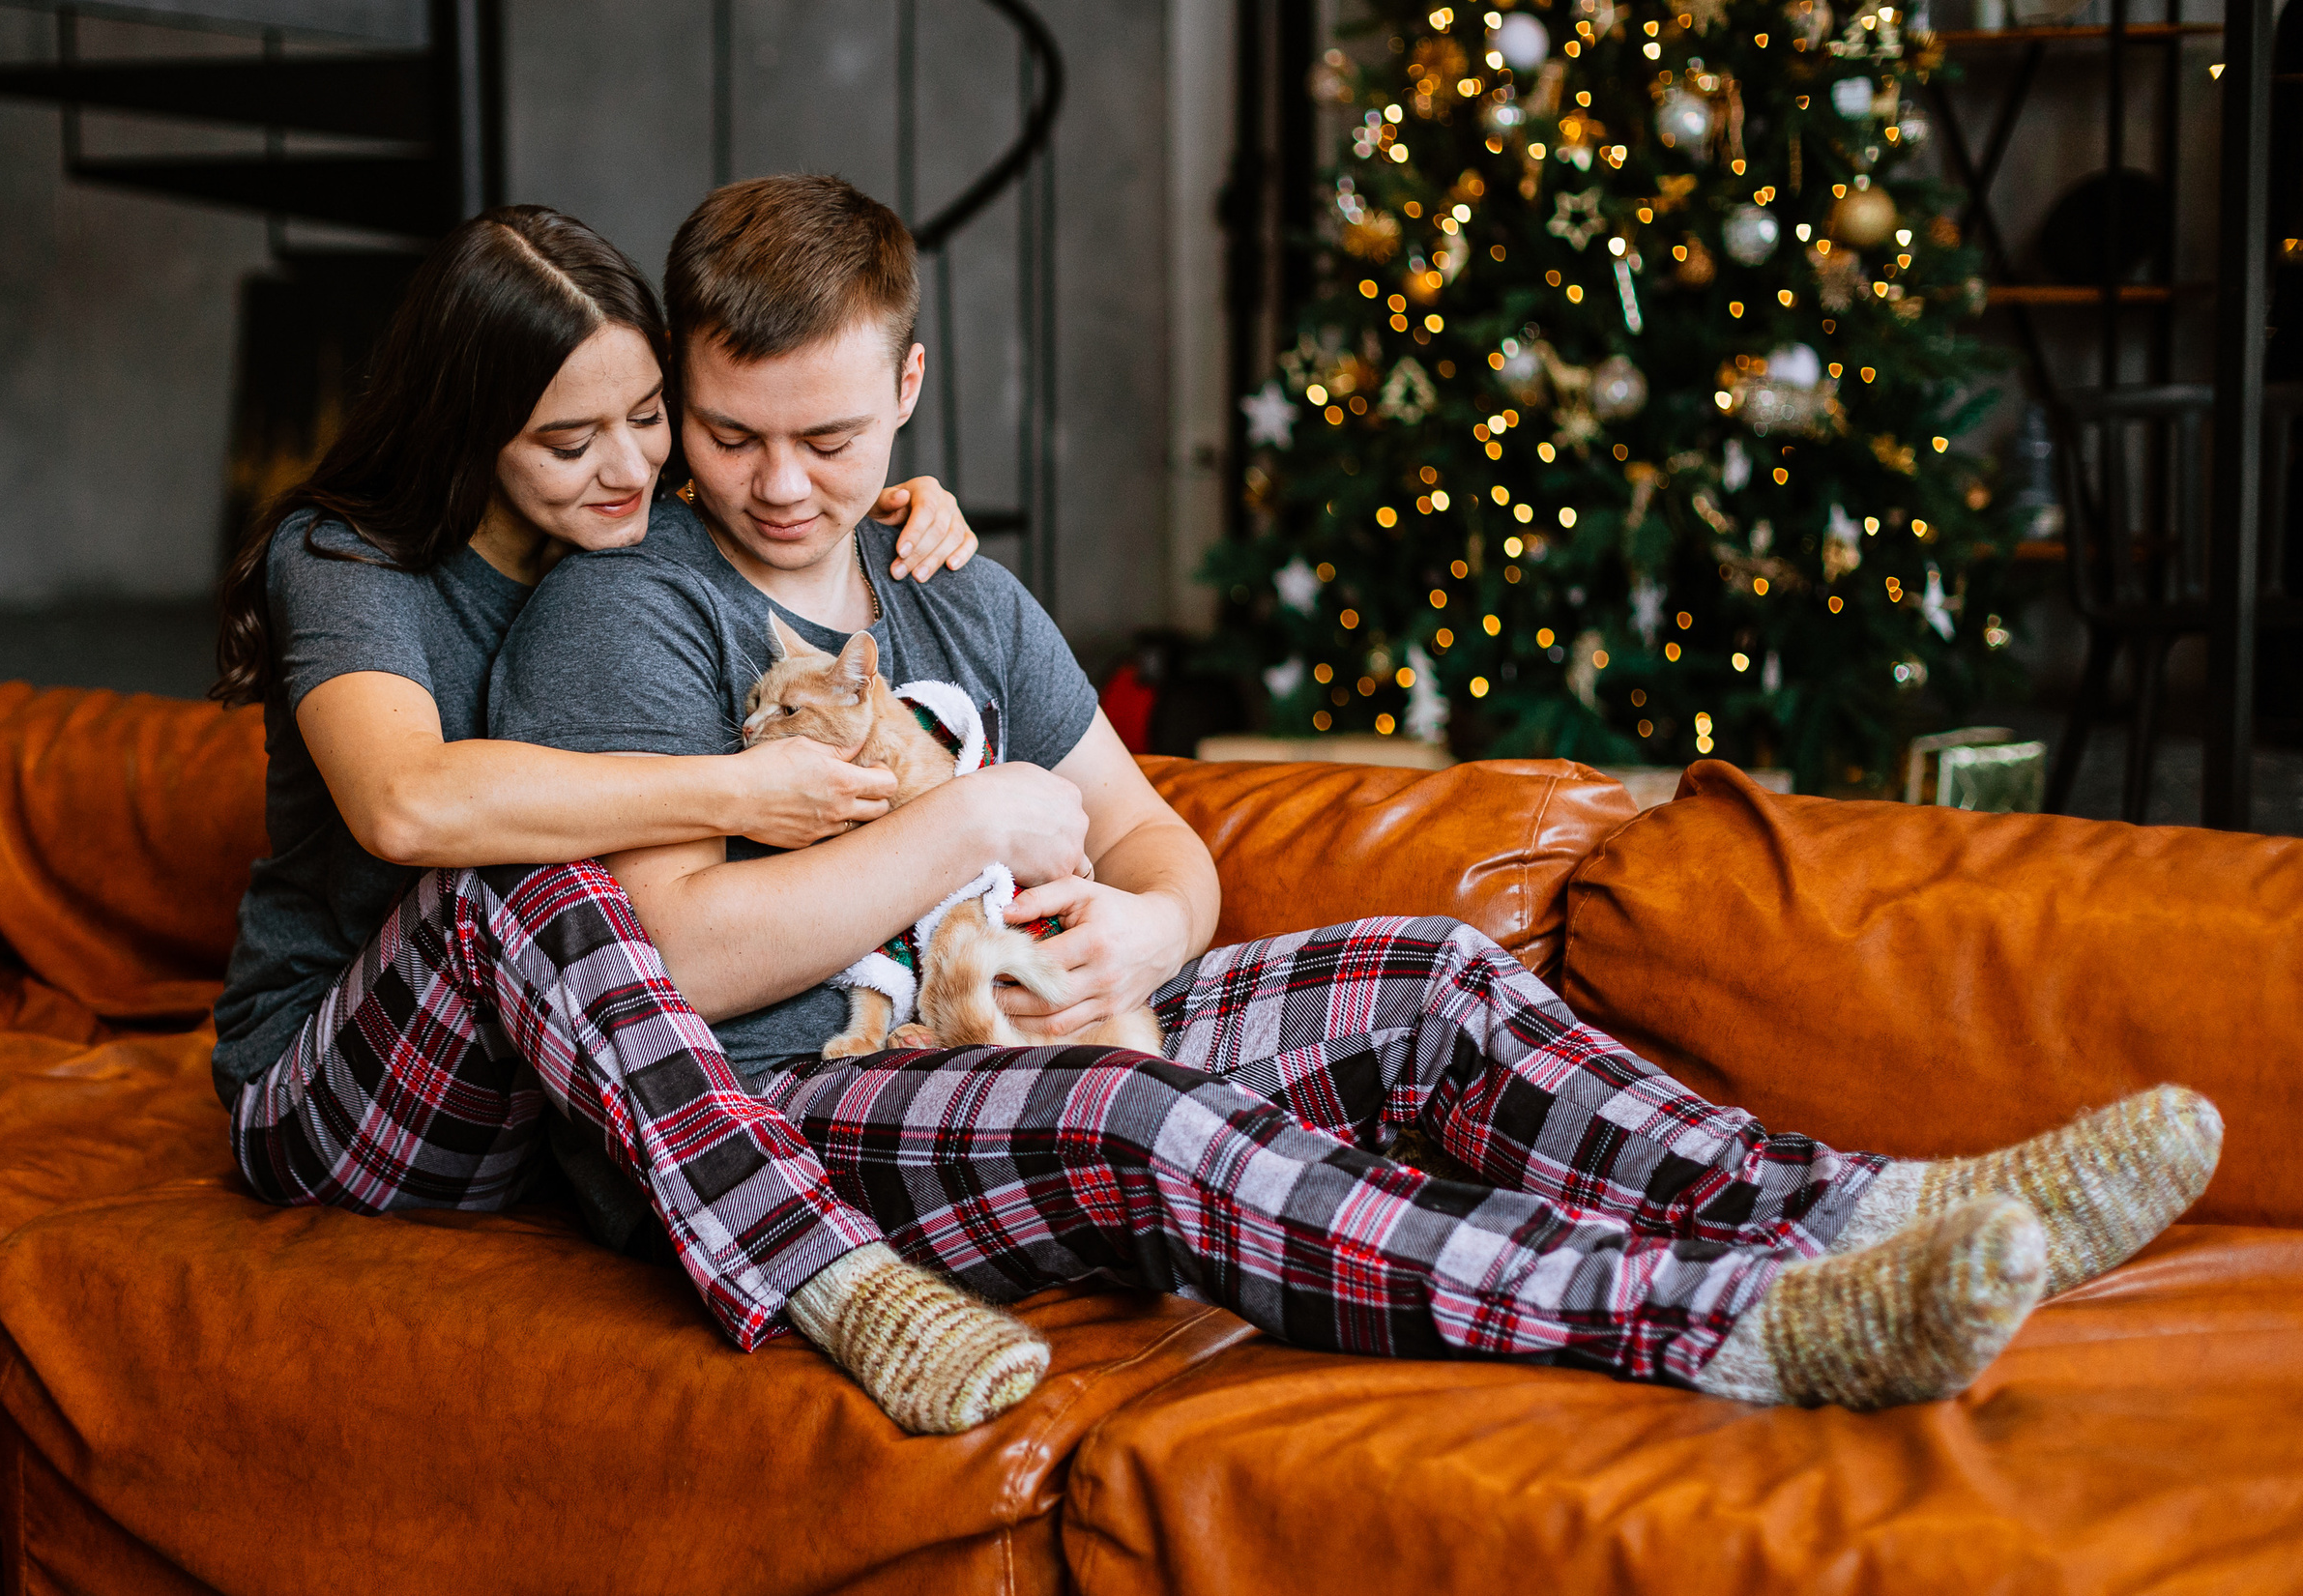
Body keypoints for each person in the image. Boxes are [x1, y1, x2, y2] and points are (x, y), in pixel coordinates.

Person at [486, 173, 2227, 1428]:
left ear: (912, 392)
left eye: (833, 440)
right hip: (797, 1115)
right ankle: (1751, 1320)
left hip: (1031, 1029)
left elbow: (1158, 840)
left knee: (1434, 971)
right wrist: (963, 829)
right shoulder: (628, 607)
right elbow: (673, 965)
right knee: (1146, 1122)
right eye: (729, 436)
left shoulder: (952, 587)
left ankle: (1862, 1208)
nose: (782, 488)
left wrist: (1144, 932)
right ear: (682, 393)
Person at [211, 206, 1087, 1429]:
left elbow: (787, 477)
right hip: (346, 1089)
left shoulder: (631, 535)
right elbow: (407, 805)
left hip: (560, 1103)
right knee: (516, 880)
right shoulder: (345, 559)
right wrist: (733, 791)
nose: (627, 470)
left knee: (567, 888)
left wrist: (884, 501)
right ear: (472, 433)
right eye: (569, 441)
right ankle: (832, 1277)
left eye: (647, 418)